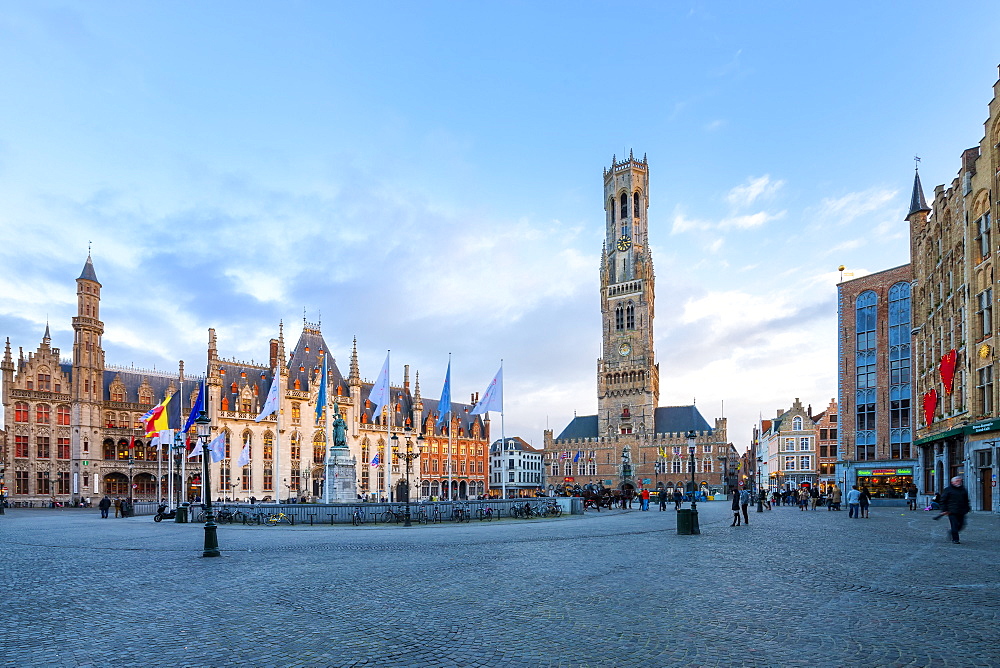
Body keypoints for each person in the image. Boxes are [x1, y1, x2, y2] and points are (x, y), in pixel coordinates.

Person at [939, 476, 971, 544]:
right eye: (957, 481)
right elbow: (943, 500)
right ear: (952, 482)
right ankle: (955, 539)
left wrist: (967, 507)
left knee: (962, 525)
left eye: (960, 481)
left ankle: (952, 532)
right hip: (951, 511)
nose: (959, 482)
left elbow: (966, 500)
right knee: (954, 525)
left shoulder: (963, 489)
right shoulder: (948, 490)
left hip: (961, 510)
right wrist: (944, 510)